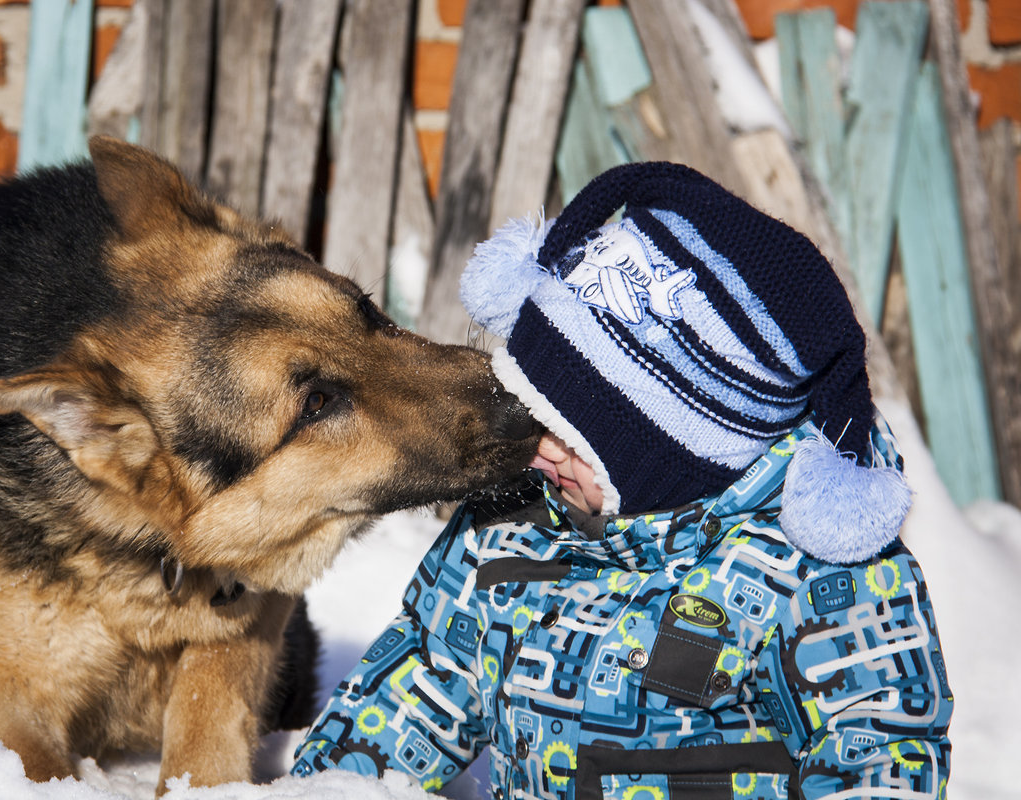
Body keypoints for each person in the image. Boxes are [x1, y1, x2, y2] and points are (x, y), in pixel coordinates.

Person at [291, 163, 953, 799]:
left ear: (673, 459)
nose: (537, 449)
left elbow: (880, 746)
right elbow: (425, 679)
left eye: (574, 438)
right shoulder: (510, 524)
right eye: (530, 409)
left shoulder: (806, 574)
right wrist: (326, 789)